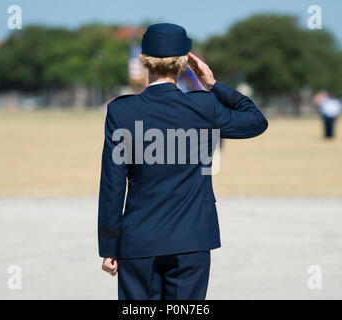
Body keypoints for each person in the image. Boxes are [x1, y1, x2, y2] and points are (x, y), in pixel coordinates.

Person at [98, 23, 268, 300]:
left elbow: (112, 185)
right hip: (192, 240)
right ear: (185, 63)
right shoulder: (205, 106)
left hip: (139, 240)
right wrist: (213, 85)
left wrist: (109, 246)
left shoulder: (121, 111)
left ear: (144, 62)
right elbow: (257, 121)